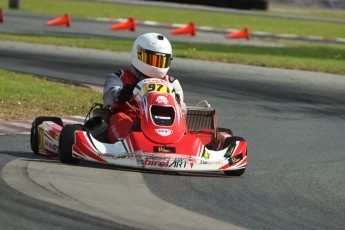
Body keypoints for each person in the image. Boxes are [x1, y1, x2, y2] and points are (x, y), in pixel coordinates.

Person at [103, 32, 186, 143]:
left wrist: (177, 102)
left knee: (182, 123)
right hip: (131, 120)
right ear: (138, 55)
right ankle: (127, 144)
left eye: (161, 61)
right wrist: (122, 93)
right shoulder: (121, 77)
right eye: (152, 60)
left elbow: (182, 111)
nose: (156, 66)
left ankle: (180, 144)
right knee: (118, 119)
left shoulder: (172, 83)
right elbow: (109, 98)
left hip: (165, 123)